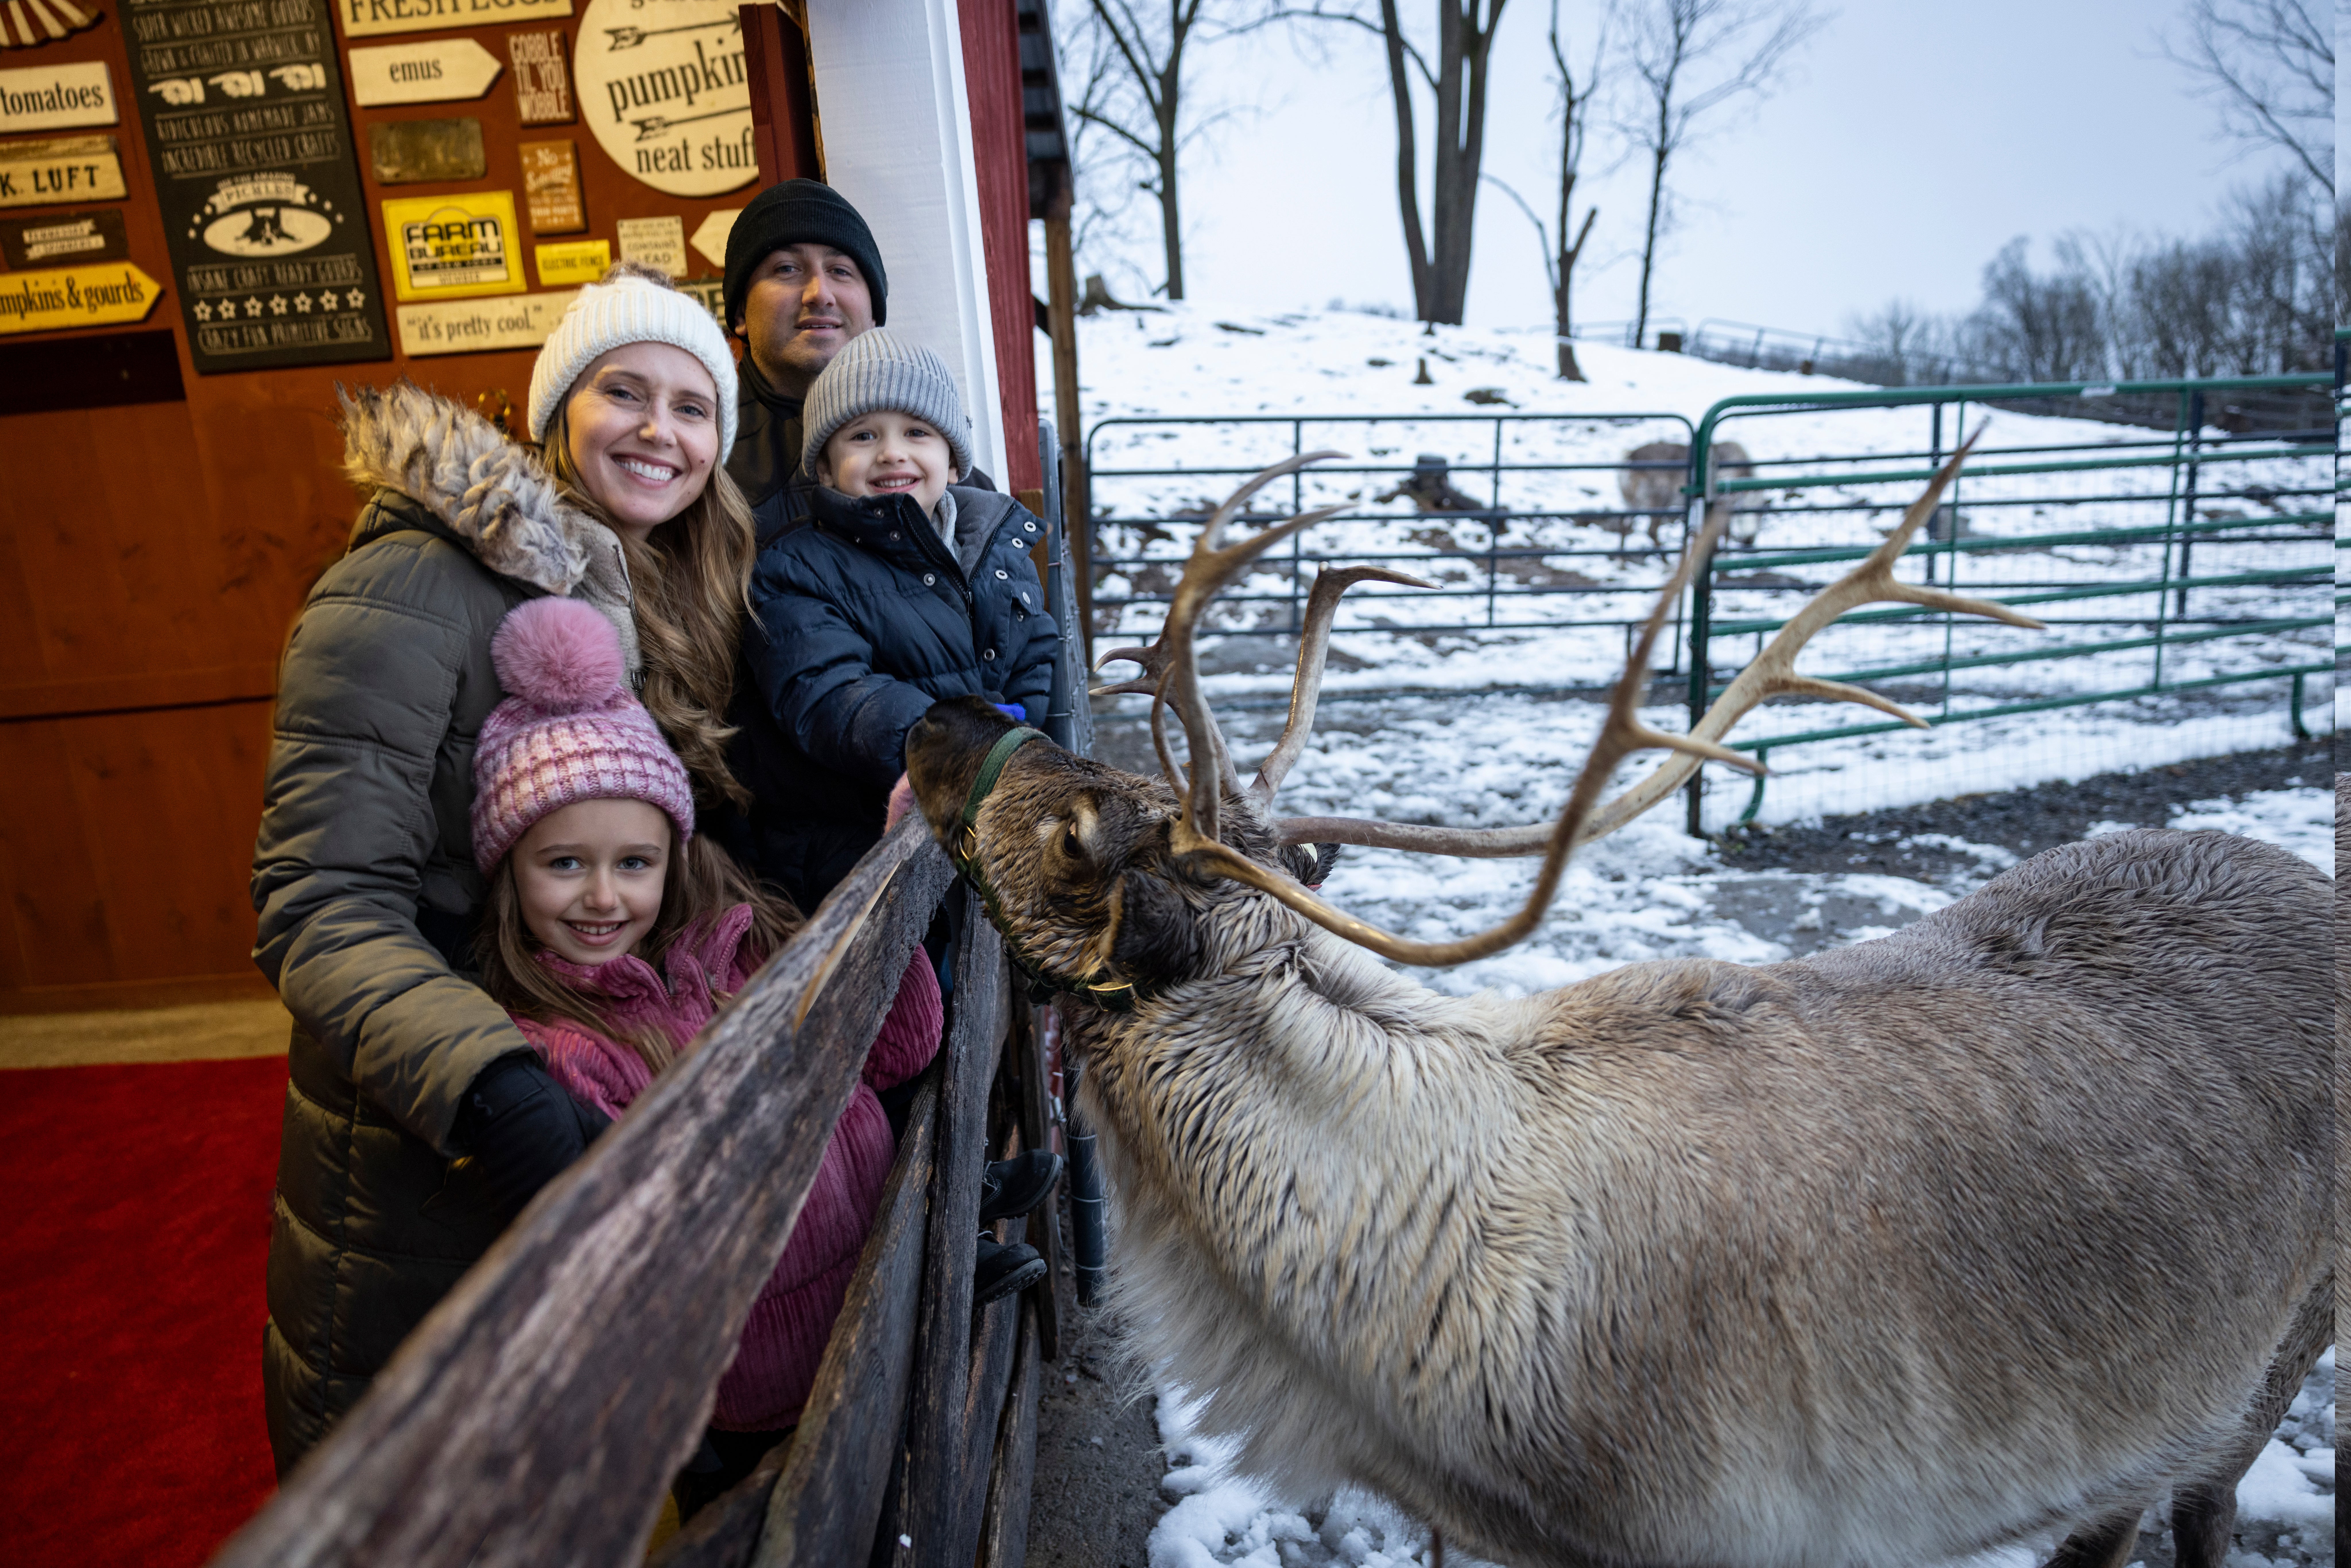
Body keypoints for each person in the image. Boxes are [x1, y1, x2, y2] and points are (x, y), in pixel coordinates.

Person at [250, 262, 758, 1476]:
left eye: (694, 408)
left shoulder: (642, 586)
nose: (659, 429)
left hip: (574, 1071)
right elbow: (320, 898)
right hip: (427, 1135)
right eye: (623, 391)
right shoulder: (415, 582)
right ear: (554, 410)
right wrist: (486, 1082)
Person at [462, 594, 945, 1517]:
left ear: (674, 858)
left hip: (878, 1306)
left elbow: (899, 1050)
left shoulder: (742, 943)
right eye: (563, 864)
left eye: (634, 863)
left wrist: (889, 904)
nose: (603, 896)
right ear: (508, 871)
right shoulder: (561, 1050)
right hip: (743, 1396)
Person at [733, 330, 1061, 914]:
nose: (892, 453)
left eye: (917, 432)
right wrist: (950, 739)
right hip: (861, 842)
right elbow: (832, 694)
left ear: (954, 459)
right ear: (827, 471)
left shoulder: (994, 550)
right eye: (863, 436)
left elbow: (1033, 650)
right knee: (913, 988)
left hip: (987, 809)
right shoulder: (796, 566)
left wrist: (1019, 735)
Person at [721, 177, 888, 535]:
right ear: (739, 315)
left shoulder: (933, 446)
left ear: (874, 314)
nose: (819, 293)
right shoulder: (703, 459)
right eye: (787, 269)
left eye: (840, 271)